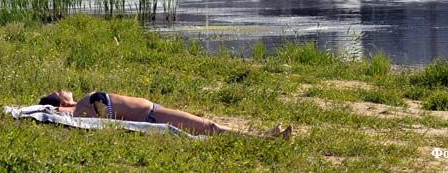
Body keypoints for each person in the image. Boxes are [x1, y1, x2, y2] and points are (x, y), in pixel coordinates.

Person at [38, 89, 291, 138]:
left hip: (154, 111)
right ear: (60, 102)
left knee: (208, 126)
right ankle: (263, 139)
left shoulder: (85, 104)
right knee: (209, 127)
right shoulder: (81, 108)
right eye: (59, 91)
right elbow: (98, 121)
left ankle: (264, 137)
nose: (63, 88)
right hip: (153, 117)